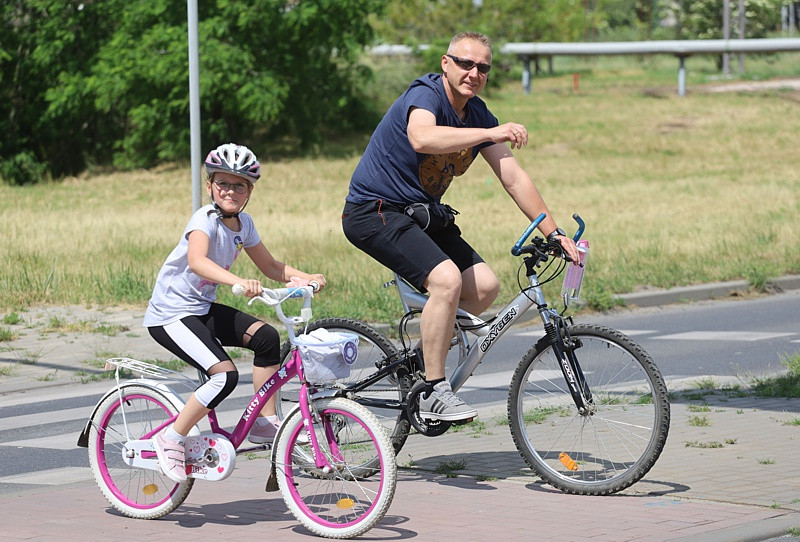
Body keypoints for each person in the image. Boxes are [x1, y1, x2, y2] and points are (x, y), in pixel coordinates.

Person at [341, 32, 579, 423]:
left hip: (420, 213)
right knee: (447, 282)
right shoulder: (427, 94)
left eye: (482, 67)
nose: (474, 72)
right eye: (466, 63)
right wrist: (491, 133)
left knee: (484, 288)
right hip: (374, 211)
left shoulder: (478, 113)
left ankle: (418, 363)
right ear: (445, 63)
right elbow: (422, 137)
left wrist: (553, 231)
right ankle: (435, 388)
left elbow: (513, 176)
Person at [144, 143, 326, 482]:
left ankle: (262, 422)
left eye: (239, 185)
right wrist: (237, 281)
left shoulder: (244, 224)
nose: (230, 190)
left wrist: (306, 277)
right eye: (223, 183)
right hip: (170, 315)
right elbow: (198, 261)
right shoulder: (204, 219)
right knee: (224, 375)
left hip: (199, 309)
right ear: (211, 185)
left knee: (267, 338)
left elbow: (271, 265)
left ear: (250, 191)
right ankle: (170, 438)